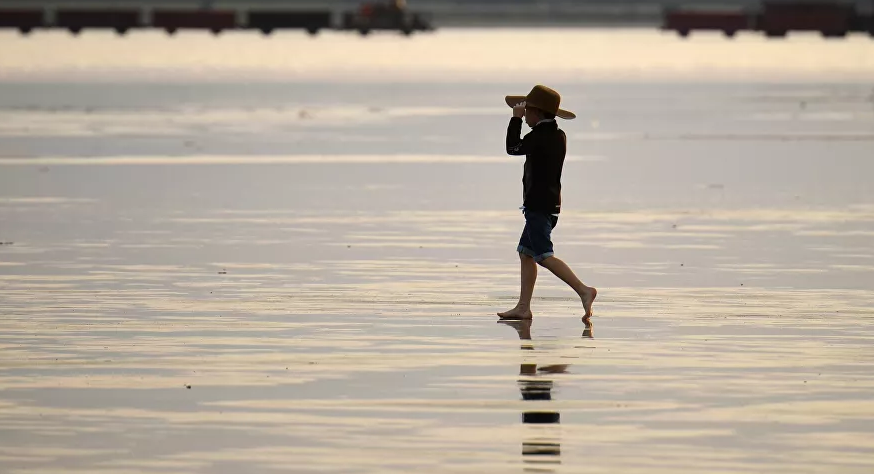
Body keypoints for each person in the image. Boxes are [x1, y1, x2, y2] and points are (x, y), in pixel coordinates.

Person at [497, 85, 597, 322]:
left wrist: (515, 121)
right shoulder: (557, 134)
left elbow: (512, 148)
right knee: (526, 253)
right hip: (547, 204)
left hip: (539, 207)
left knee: (543, 255)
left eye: (526, 111)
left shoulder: (541, 136)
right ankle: (523, 307)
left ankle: (584, 290)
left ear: (536, 113)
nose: (523, 114)